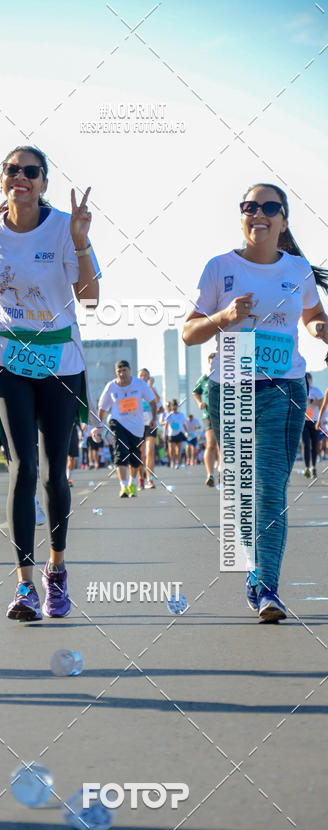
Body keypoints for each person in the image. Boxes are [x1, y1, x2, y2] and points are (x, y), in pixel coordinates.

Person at [0, 144, 99, 620]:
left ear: (43, 182)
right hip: (8, 358)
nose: (22, 177)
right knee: (23, 468)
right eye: (13, 170)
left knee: (55, 471)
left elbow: (90, 296)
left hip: (59, 359)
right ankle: (24, 586)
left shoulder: (63, 228)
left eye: (31, 172)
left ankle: (56, 572)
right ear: (2, 179)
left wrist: (80, 240)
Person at [183, 182, 328, 622]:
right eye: (250, 206)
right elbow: (190, 332)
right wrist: (224, 317)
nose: (258, 213)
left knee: (269, 491)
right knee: (245, 493)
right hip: (229, 386)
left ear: (283, 221)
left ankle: (267, 587)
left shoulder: (298, 269)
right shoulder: (219, 267)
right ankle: (255, 572)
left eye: (269, 207)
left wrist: (320, 327)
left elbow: (312, 314)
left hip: (283, 388)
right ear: (242, 215)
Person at [98, 360, 156, 498]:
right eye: (119, 371)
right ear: (115, 373)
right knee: (120, 452)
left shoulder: (140, 384)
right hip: (117, 422)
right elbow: (102, 408)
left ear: (130, 370)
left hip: (136, 426)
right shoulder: (111, 386)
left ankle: (132, 483)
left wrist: (153, 419)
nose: (122, 373)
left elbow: (153, 403)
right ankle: (123, 486)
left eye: (124, 370)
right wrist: (98, 425)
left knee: (135, 457)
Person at [193, 352, 220, 486]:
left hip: (226, 414)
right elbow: (195, 392)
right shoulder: (204, 378)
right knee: (211, 443)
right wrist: (199, 403)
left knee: (224, 445)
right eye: (212, 363)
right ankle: (210, 474)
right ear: (209, 364)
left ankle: (223, 470)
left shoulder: (228, 376)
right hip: (208, 414)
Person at [138, 367, 160, 489]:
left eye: (145, 375)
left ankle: (150, 480)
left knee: (150, 451)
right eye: (141, 375)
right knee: (140, 454)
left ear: (149, 377)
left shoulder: (152, 389)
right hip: (137, 426)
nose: (143, 377)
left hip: (150, 424)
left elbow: (157, 401)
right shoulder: (134, 389)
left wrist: (151, 386)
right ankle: (141, 479)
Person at [303, 372, 323, 479]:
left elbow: (322, 403)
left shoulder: (316, 391)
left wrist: (310, 400)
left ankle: (313, 467)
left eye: (308, 379)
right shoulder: (301, 391)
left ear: (311, 380)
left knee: (314, 445)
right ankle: (306, 467)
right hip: (304, 421)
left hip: (314, 421)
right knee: (306, 444)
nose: (307, 381)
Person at [163, 399, 188, 469]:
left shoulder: (181, 415)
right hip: (171, 434)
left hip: (179, 433)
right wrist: (164, 433)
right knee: (171, 450)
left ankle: (177, 463)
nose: (174, 407)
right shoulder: (169, 415)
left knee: (178, 450)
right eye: (173, 406)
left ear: (177, 406)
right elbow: (166, 425)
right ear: (171, 406)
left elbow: (184, 424)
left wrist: (186, 431)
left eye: (175, 405)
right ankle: (172, 461)